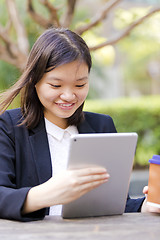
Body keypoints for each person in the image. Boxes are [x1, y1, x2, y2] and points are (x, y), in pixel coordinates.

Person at [0, 28, 158, 222]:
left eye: (80, 85)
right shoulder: (9, 127)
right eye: (56, 86)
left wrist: (145, 204)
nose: (68, 96)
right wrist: (45, 194)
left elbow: (115, 204)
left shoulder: (102, 126)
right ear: (34, 80)